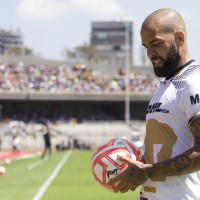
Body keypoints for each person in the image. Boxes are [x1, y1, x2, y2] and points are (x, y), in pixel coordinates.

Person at [108, 8, 200, 200]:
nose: (150, 53)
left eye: (156, 43)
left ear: (179, 38)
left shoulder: (193, 83)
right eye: (145, 46)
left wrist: (148, 172)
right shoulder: (165, 85)